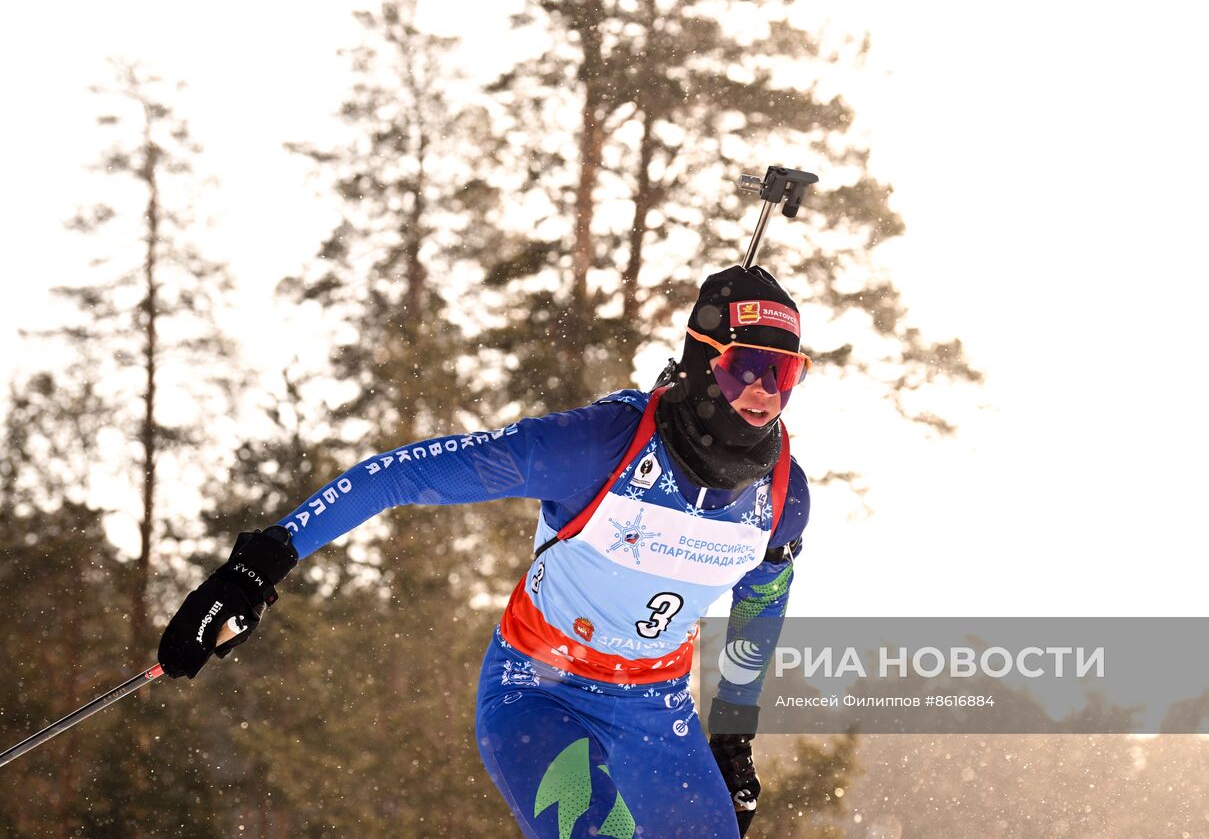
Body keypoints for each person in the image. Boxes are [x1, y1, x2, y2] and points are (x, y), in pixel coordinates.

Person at [158, 265, 812, 838]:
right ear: (702, 364)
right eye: (745, 369)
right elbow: (402, 474)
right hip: (540, 691)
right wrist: (257, 566)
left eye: (783, 374)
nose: (763, 395)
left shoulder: (783, 495)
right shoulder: (594, 447)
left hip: (656, 705)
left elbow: (762, 601)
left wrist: (732, 735)